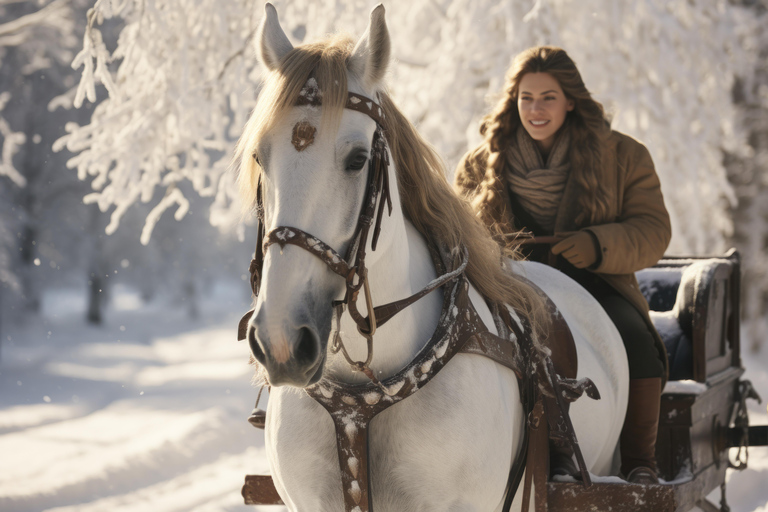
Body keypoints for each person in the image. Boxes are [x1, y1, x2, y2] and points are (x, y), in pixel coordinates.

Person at [454, 46, 671, 484]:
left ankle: (639, 464)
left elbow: (653, 229)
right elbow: (455, 232)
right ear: (513, 102)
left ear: (570, 100)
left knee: (637, 341)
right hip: (510, 287)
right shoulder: (481, 162)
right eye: (526, 97)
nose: (536, 109)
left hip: (596, 283)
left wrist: (597, 244)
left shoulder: (624, 155)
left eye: (548, 97)